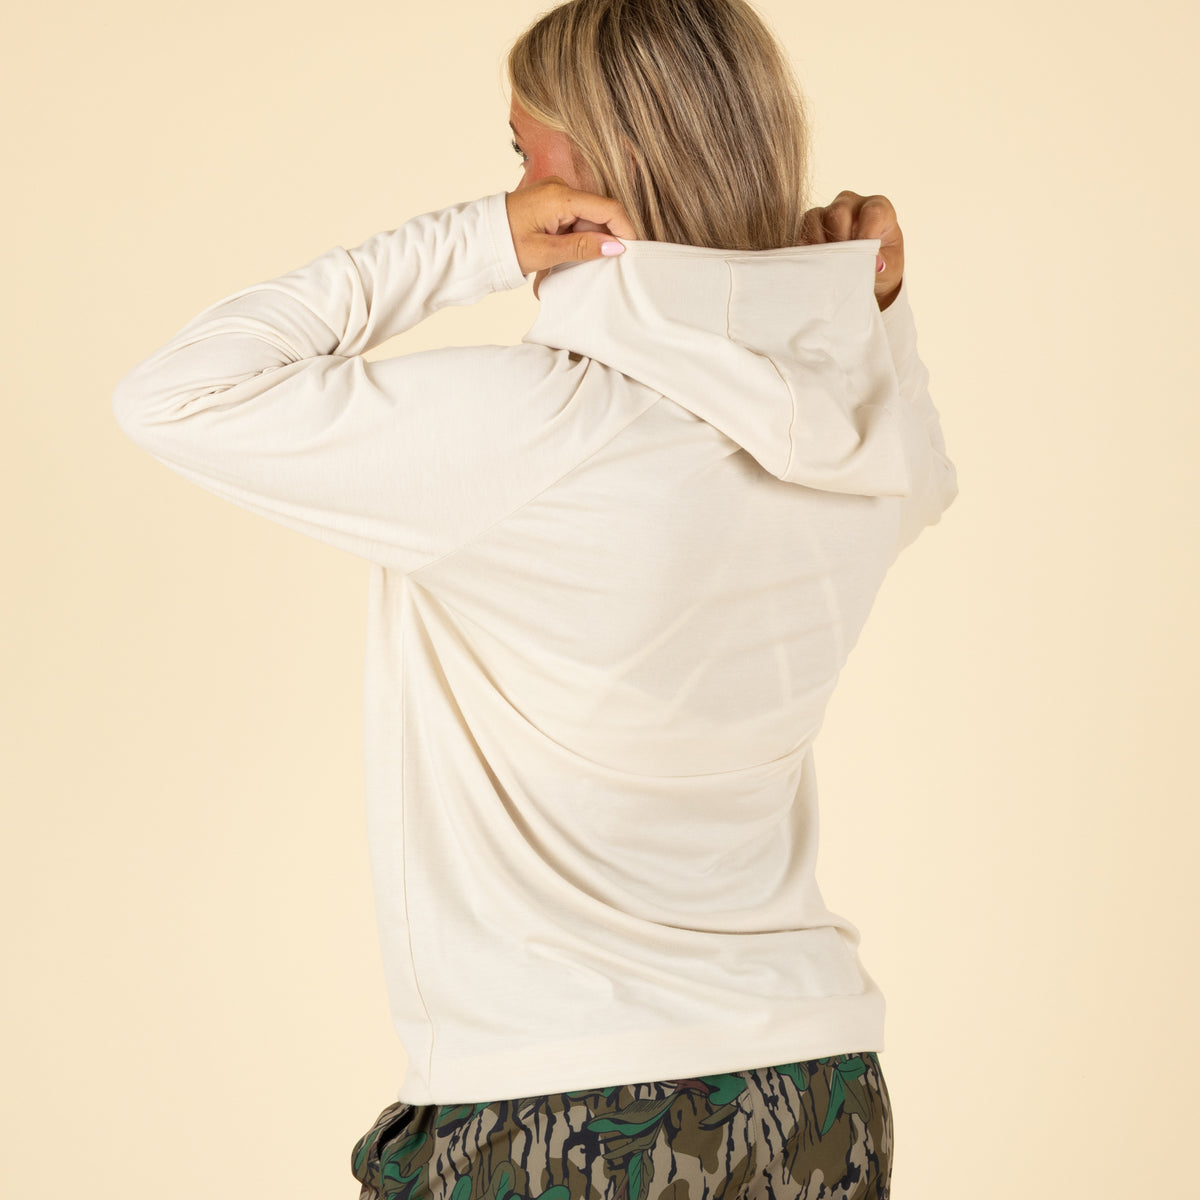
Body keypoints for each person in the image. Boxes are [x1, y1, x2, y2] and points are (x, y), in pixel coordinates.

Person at [111, 0, 957, 1195]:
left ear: (605, 168)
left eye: (522, 152)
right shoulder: (858, 445)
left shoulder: (540, 428)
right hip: (817, 1092)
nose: (512, 180)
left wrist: (476, 243)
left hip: (563, 1105)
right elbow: (917, 464)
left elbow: (175, 396)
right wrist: (857, 310)